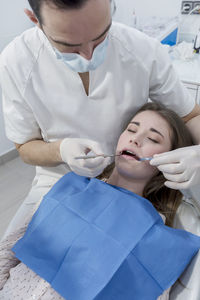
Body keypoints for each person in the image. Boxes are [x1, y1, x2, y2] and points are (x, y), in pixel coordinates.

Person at [1, 0, 200, 239]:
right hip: (59, 182)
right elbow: (24, 147)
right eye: (70, 46)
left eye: (101, 37)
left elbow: (190, 115)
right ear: (35, 21)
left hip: (136, 190)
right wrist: (61, 150)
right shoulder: (16, 62)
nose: (88, 55)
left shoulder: (143, 50)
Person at [0, 102, 199, 300]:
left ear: (169, 160)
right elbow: (9, 250)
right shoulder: (69, 189)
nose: (135, 139)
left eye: (153, 139)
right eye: (131, 129)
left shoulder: (156, 237)